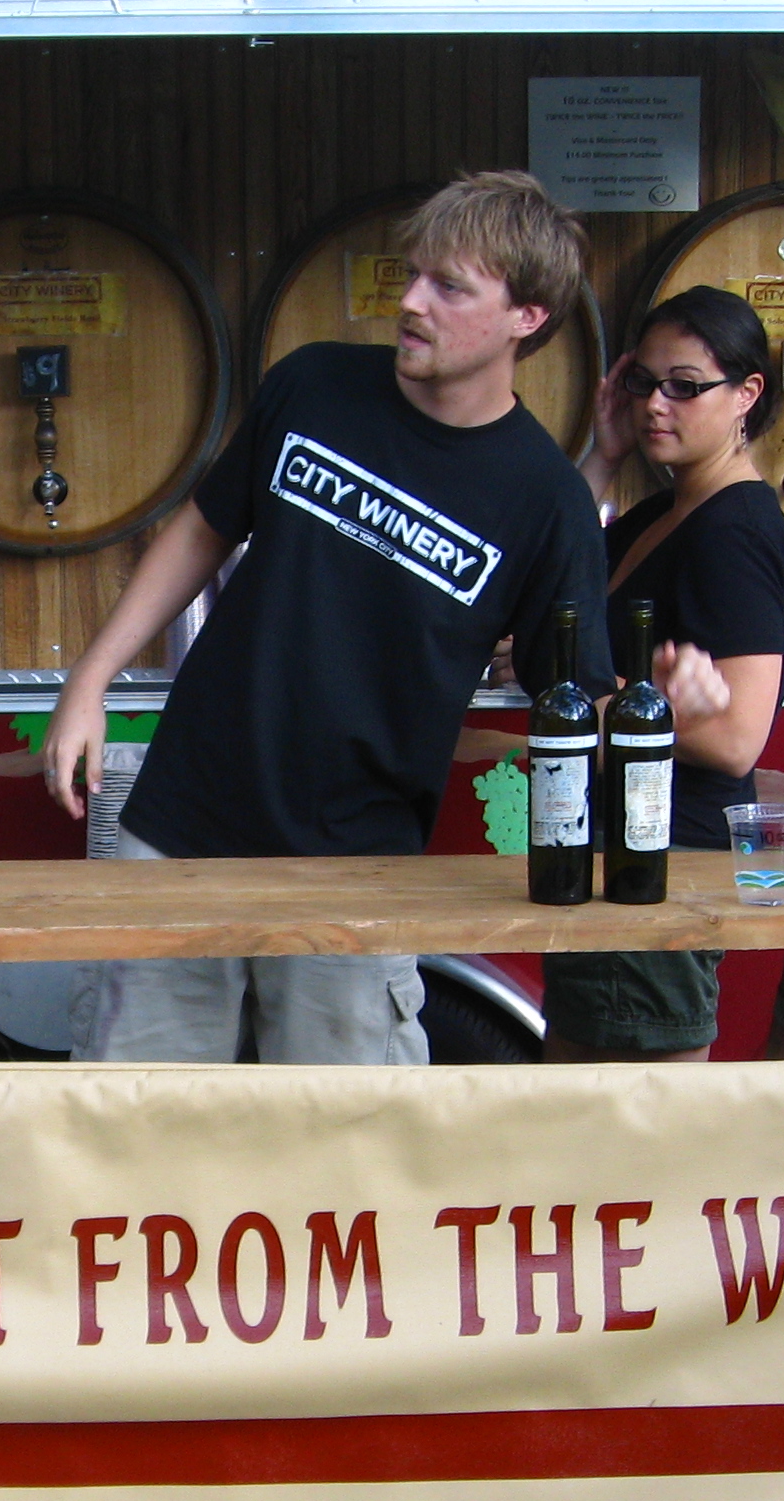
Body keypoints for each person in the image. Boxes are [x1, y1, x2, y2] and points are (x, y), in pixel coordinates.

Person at [42, 171, 612, 1063]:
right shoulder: (314, 384)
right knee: (138, 1113)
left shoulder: (547, 499)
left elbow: (573, 695)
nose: (411, 302)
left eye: (449, 286)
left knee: (344, 1131)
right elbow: (204, 526)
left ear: (526, 317)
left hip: (357, 862)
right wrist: (91, 677)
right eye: (413, 274)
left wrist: (665, 713)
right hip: (187, 815)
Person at [542, 287, 784, 1063]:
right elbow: (552, 573)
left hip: (664, 860)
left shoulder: (735, 532)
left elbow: (735, 741)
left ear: (746, 394)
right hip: (617, 852)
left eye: (685, 386)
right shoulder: (668, 511)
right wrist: (604, 455)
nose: (656, 404)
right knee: (577, 1105)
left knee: (637, 1116)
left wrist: (597, 713)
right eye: (643, 382)